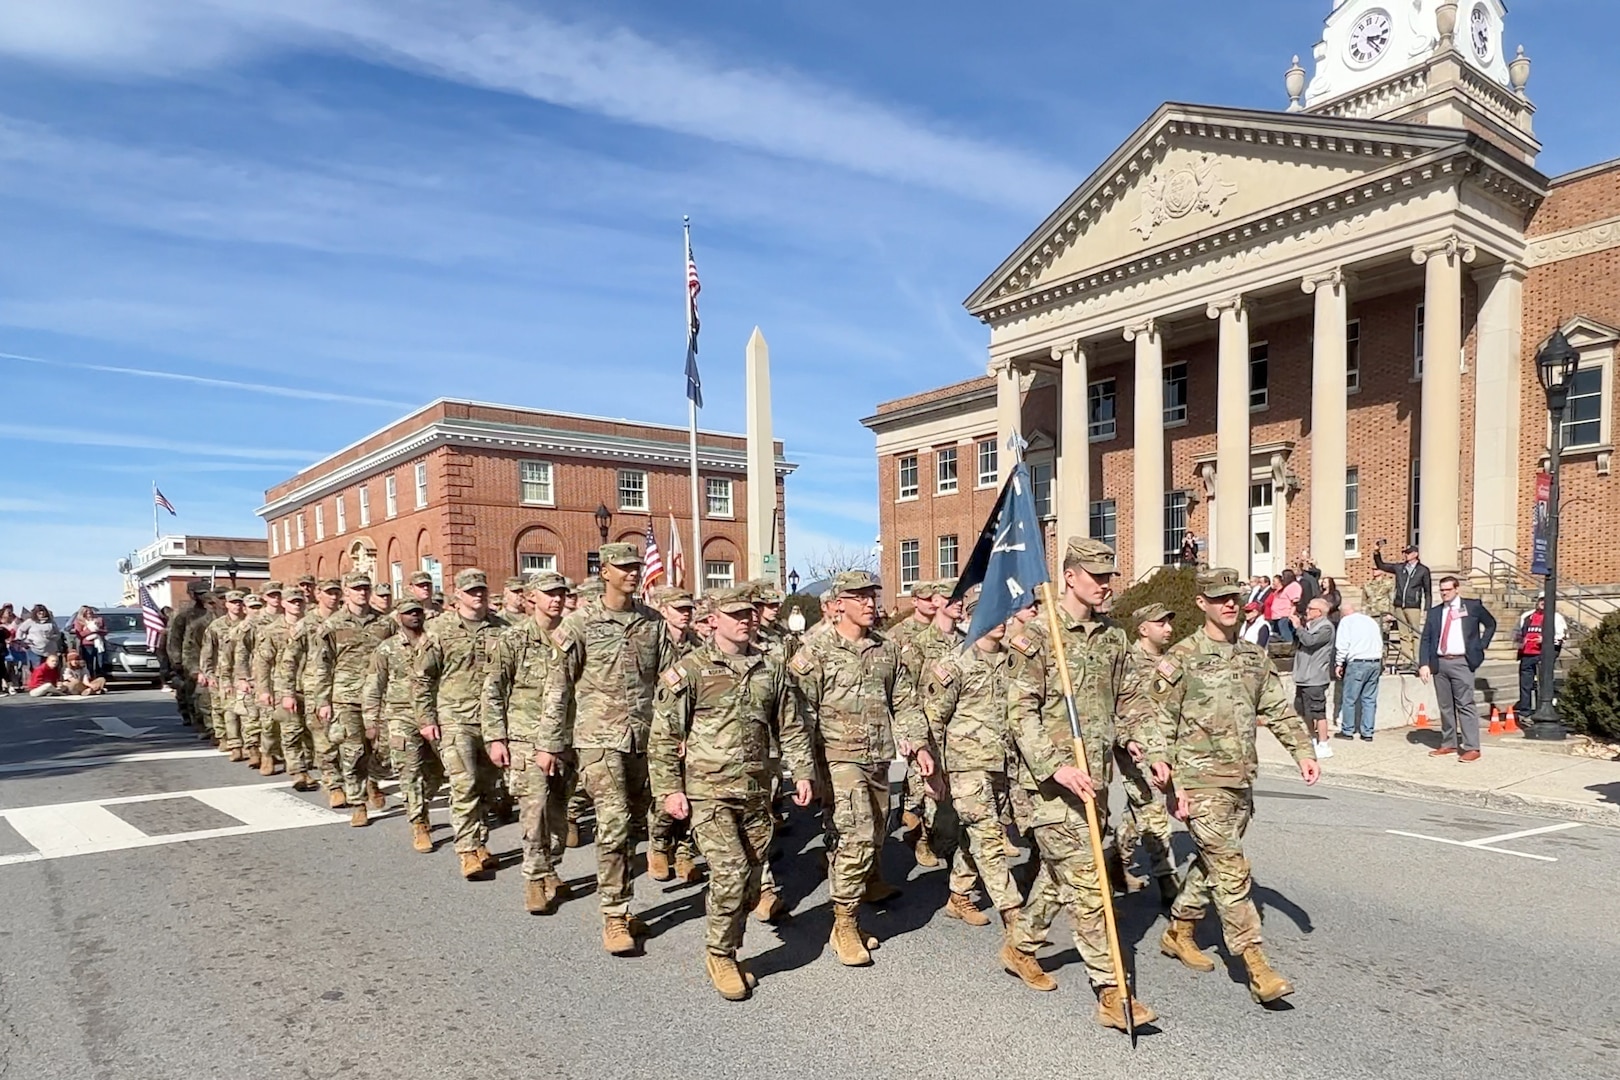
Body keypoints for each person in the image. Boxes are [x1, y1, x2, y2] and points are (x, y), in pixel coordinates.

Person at [1130, 567, 1320, 1005]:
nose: (1229, 604)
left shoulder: (1254, 656)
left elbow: (1277, 708)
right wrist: (1165, 772)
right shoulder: (1179, 659)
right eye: (1219, 598)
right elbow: (1154, 719)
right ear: (1202, 604)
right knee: (1232, 870)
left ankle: (1179, 929)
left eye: (1234, 597)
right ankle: (1256, 965)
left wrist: (1303, 752)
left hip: (1240, 782)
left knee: (1211, 863)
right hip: (1198, 785)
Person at [999, 538, 1157, 1032]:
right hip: (1050, 788)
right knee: (1089, 885)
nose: (1107, 585)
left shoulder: (1112, 638)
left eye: (1110, 576)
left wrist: (1138, 745)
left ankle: (1020, 944)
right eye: (1097, 577)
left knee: (1058, 877)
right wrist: (1053, 766)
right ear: (1070, 576)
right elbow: (1018, 711)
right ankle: (1113, 994)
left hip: (1096, 782)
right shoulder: (1038, 635)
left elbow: (1130, 700)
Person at [651, 586, 815, 1000]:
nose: (746, 620)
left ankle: (730, 940)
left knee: (752, 877)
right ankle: (720, 953)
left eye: (749, 614)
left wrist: (804, 774)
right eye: (736, 614)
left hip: (757, 791)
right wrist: (670, 789)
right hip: (709, 792)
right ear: (713, 621)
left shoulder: (769, 668)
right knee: (730, 871)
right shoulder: (689, 671)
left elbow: (790, 725)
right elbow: (665, 735)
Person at [788, 569, 935, 969]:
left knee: (871, 831)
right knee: (858, 834)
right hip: (837, 758)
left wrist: (917, 743)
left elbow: (904, 702)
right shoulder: (815, 651)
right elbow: (797, 716)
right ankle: (845, 924)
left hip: (878, 757)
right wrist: (804, 770)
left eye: (872, 595)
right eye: (859, 597)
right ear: (837, 605)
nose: (870, 603)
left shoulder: (886, 649)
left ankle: (859, 887)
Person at [542, 544, 670, 954]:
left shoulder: (652, 622)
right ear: (606, 572)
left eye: (637, 566)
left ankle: (624, 901)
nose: (633, 573)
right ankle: (614, 915)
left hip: (645, 738)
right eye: (625, 567)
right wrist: (550, 743)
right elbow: (557, 685)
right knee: (612, 824)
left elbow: (668, 682)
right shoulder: (579, 624)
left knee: (636, 826)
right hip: (599, 741)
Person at [920, 593, 1023, 930]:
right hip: (965, 767)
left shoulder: (1014, 662)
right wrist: (931, 770)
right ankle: (1014, 915)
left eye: (1003, 615)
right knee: (989, 837)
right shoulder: (955, 663)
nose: (1001, 622)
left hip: (1003, 765)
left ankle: (959, 894)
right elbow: (932, 720)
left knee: (975, 836)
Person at [481, 571, 574, 912]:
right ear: (533, 596)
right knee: (534, 812)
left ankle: (550, 866)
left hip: (568, 737)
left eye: (561, 593)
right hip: (525, 738)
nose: (557, 599)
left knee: (560, 814)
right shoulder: (514, 638)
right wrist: (495, 737)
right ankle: (534, 878)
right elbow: (493, 689)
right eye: (550, 593)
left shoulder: (573, 634)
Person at [414, 569, 509, 880]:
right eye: (470, 591)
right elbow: (423, 677)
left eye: (481, 589)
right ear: (458, 596)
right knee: (463, 783)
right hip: (455, 719)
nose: (477, 595)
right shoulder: (439, 629)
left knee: (486, 786)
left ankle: (480, 842)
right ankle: (467, 850)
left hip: (493, 721)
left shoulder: (502, 628)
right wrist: (426, 718)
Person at [311, 572, 396, 825]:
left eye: (365, 588)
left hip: (380, 698)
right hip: (346, 698)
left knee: (385, 749)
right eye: (356, 588)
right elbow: (322, 665)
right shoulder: (332, 625)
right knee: (353, 751)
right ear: (346, 592)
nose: (362, 593)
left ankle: (372, 780)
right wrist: (323, 701)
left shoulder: (385, 623)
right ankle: (358, 802)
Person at [366, 598, 441, 852]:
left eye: (418, 612)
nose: (415, 616)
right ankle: (418, 822)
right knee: (410, 770)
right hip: (400, 715)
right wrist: (371, 720)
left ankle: (422, 801)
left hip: (433, 713)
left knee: (438, 770)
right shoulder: (386, 649)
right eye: (409, 613)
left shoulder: (435, 643)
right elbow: (374, 685)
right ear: (399, 616)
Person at [1115, 603, 1179, 904]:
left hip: (1167, 746)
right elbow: (1112, 705)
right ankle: (1168, 881)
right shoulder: (1126, 661)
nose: (1168, 628)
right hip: (1136, 747)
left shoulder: (1173, 661)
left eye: (1169, 623)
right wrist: (1125, 737)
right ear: (1143, 629)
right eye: (1161, 623)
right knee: (1153, 809)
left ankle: (1116, 858)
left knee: (1138, 809)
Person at [1419, 576, 1497, 762]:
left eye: (1448, 589)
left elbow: (1491, 624)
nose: (1445, 593)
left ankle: (1472, 747)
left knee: (1465, 704)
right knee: (1445, 706)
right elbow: (1426, 638)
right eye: (1442, 590)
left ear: (1456, 589)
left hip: (1462, 661)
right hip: (1440, 662)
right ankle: (1449, 743)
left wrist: (1481, 644)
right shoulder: (1435, 612)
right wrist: (1424, 663)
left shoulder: (1471, 606)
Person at [1374, 541, 1433, 666]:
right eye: (1405, 553)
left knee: (1415, 633)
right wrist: (1376, 552)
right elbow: (1382, 565)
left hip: (1413, 605)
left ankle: (1417, 659)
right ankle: (1407, 659)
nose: (1406, 555)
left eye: (1409, 553)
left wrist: (1427, 608)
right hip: (1399, 605)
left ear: (1415, 554)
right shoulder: (1399, 568)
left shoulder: (1423, 570)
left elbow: (1428, 591)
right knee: (1403, 634)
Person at [1291, 597, 1336, 756]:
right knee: (1303, 710)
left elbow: (1310, 641)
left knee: (1318, 711)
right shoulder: (1310, 626)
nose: (1307, 611)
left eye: (1310, 608)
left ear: (1319, 612)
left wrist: (1299, 627)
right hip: (1303, 676)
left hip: (1315, 677)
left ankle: (1324, 744)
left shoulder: (1326, 628)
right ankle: (1313, 737)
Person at [1334, 600, 1383, 740]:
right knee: (1369, 699)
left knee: (1350, 698)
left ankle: (1348, 730)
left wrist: (1339, 663)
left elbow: (1342, 644)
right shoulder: (1370, 621)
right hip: (1374, 660)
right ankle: (1367, 732)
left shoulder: (1346, 622)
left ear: (1342, 613)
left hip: (1357, 662)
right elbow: (1379, 641)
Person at [1515, 597, 1568, 716]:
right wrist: (1519, 641)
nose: (1543, 602)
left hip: (1544, 655)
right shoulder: (1527, 616)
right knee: (1525, 684)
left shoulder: (1556, 617)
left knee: (1543, 683)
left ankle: (1543, 709)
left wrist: (1545, 640)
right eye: (1541, 600)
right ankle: (1525, 711)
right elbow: (1517, 631)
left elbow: (1562, 637)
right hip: (1527, 654)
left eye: (1546, 600)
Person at [74, 607, 108, 681]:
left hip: (99, 643)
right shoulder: (79, 621)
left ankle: (100, 679)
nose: (89, 614)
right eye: (87, 612)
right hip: (87, 644)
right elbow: (80, 634)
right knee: (89, 663)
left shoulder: (99, 620)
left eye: (90, 612)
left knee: (100, 662)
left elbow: (105, 631)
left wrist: (98, 630)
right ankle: (90, 678)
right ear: (83, 613)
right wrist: (90, 630)